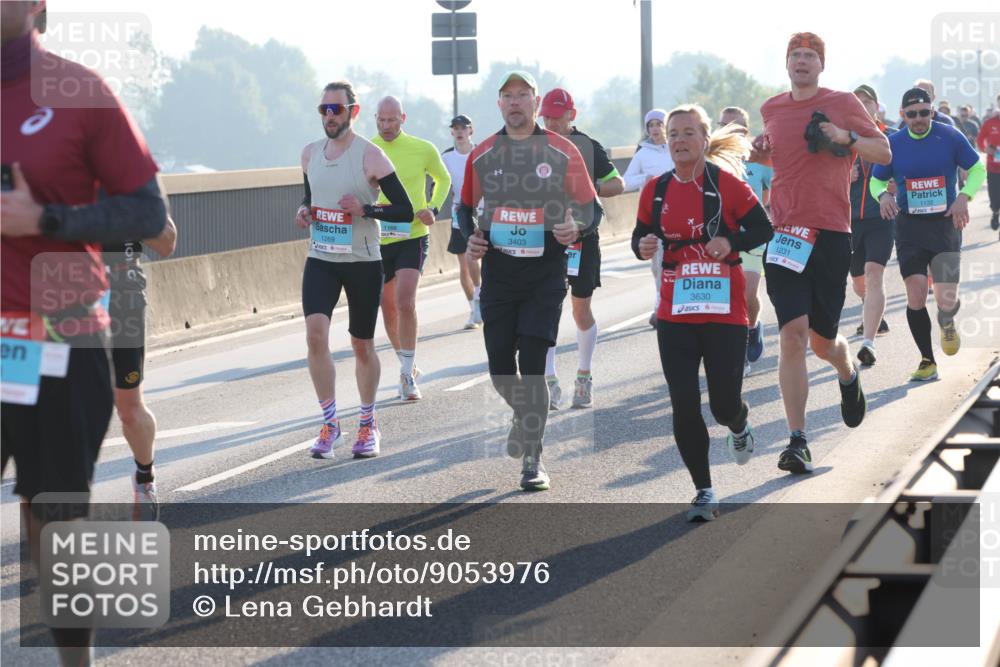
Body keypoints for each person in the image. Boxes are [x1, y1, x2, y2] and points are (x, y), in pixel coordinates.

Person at [1, 2, 167, 662]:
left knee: (56, 521)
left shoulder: (78, 91)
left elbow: (149, 213)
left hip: (57, 340)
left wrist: (46, 221)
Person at [459, 71, 600, 491]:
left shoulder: (562, 150)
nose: (515, 102)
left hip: (544, 276)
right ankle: (523, 416)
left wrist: (576, 226)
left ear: (535, 102)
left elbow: (591, 208)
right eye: (508, 96)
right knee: (501, 370)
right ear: (499, 104)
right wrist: (470, 236)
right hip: (499, 276)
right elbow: (463, 207)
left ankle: (533, 460)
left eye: (523, 95)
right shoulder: (483, 153)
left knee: (535, 367)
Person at [758, 32, 890, 474]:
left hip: (831, 234)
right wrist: (762, 154)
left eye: (810, 56)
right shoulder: (772, 109)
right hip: (785, 235)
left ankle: (847, 372)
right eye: (795, 55)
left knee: (821, 342)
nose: (802, 61)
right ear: (786, 63)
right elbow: (786, 161)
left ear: (821, 65)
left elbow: (883, 151)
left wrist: (846, 136)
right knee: (792, 336)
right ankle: (797, 440)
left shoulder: (843, 102)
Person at [633, 104, 773, 521]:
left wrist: (730, 242)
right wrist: (641, 245)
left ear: (705, 139)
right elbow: (641, 234)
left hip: (724, 311)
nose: (679, 140)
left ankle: (739, 424)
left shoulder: (726, 185)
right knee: (683, 403)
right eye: (673, 133)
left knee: (723, 405)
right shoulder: (655, 190)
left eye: (688, 133)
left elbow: (763, 228)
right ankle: (704, 490)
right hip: (674, 311)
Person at [297, 80, 414, 460]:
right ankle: (330, 423)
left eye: (337, 109)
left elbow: (404, 210)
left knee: (362, 344)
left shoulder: (371, 156)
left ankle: (368, 423)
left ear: (353, 111)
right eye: (324, 110)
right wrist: (304, 210)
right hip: (321, 258)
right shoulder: (309, 154)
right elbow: (310, 196)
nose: (330, 116)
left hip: (363, 261)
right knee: (315, 336)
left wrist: (366, 209)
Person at [870, 87, 986, 381]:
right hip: (909, 228)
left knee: (946, 299)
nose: (919, 119)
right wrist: (883, 196)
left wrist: (965, 197)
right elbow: (876, 181)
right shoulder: (893, 143)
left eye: (924, 112)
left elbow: (977, 169)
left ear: (932, 111)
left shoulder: (949, 136)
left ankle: (947, 319)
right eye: (912, 114)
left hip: (945, 225)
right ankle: (927, 360)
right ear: (902, 115)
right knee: (916, 293)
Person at [539, 87, 624, 409]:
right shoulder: (535, 145)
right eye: (546, 117)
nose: (550, 123)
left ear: (571, 115)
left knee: (580, 310)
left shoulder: (588, 146)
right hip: (546, 239)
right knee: (546, 308)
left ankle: (584, 376)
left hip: (583, 238)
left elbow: (617, 183)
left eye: (556, 117)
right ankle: (549, 381)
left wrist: (591, 186)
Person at [372, 96, 451, 401]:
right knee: (388, 307)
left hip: (413, 234)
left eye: (392, 120)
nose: (386, 126)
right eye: (381, 120)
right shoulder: (368, 150)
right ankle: (408, 363)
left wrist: (433, 207)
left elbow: (443, 179)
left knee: (405, 301)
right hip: (379, 238)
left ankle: (406, 376)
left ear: (403, 119)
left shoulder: (423, 148)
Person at [104, 216, 177, 522]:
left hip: (123, 301)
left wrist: (129, 208)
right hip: (61, 301)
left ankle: (145, 478)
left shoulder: (131, 186)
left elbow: (167, 243)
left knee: (130, 410)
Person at [718, 106, 770, 375]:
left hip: (751, 237)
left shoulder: (758, 158)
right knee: (726, 298)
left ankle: (752, 326)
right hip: (720, 239)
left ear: (745, 131)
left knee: (747, 294)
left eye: (734, 126)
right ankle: (739, 355)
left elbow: (776, 188)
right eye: (722, 125)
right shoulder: (710, 158)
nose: (727, 130)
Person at [848, 84, 894, 366]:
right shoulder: (842, 140)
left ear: (877, 106)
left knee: (874, 273)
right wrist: (845, 176)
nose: (863, 106)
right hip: (849, 219)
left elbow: (907, 172)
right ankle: (871, 309)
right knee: (859, 281)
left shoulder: (892, 137)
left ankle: (868, 342)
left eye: (867, 101)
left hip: (881, 217)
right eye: (857, 102)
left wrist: (895, 185)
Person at [624, 108, 676, 327]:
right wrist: (645, 178)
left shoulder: (676, 147)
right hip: (654, 215)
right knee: (658, 265)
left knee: (677, 260)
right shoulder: (643, 154)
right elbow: (625, 181)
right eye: (651, 125)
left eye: (659, 124)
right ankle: (660, 305)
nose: (655, 129)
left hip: (680, 212)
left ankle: (675, 304)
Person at [441, 114, 482, 330]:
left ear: (470, 131)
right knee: (464, 263)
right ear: (452, 131)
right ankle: (474, 309)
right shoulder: (446, 157)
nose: (459, 132)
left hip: (482, 210)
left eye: (463, 128)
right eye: (456, 128)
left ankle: (481, 295)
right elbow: (438, 182)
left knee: (475, 257)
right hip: (459, 212)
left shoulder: (481, 152)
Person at [975, 94, 1000, 231]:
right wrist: (985, 149)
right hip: (993, 167)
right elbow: (979, 140)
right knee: (995, 198)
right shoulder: (990, 123)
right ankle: (995, 212)